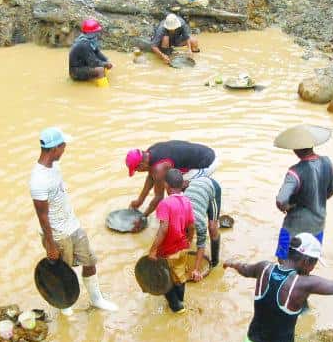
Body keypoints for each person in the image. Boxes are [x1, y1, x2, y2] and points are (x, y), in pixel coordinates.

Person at [30, 127, 117, 314]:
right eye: (63, 146)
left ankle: (96, 299)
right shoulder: (38, 181)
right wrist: (51, 245)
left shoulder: (55, 166)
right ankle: (65, 306)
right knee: (63, 272)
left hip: (73, 226)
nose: (65, 149)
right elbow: (42, 216)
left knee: (90, 262)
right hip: (58, 235)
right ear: (55, 148)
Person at [273, 125, 333, 262]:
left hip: (294, 227)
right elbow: (332, 189)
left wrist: (286, 207)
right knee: (309, 262)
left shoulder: (295, 172)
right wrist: (319, 199)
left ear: (295, 150)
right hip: (318, 225)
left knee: (283, 260)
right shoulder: (328, 163)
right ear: (312, 145)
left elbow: (281, 200)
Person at [126, 140, 217, 217]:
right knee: (172, 182)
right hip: (203, 152)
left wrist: (143, 216)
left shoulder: (159, 168)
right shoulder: (149, 152)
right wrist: (140, 201)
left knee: (177, 186)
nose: (137, 171)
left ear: (141, 165)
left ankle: (191, 213)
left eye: (136, 170)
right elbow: (150, 177)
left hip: (207, 162)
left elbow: (159, 197)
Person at [147, 169, 195, 314]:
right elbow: (191, 226)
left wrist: (153, 250)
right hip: (182, 247)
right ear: (181, 185)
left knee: (164, 278)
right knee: (180, 275)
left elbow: (163, 229)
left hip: (168, 251)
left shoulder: (165, 204)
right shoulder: (187, 201)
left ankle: (177, 307)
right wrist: (189, 240)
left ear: (166, 185)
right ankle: (180, 300)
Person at [183, 176, 223, 279]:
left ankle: (215, 261)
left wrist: (196, 269)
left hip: (211, 188)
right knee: (183, 239)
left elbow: (201, 245)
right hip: (195, 187)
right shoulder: (177, 217)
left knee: (212, 228)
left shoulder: (200, 224)